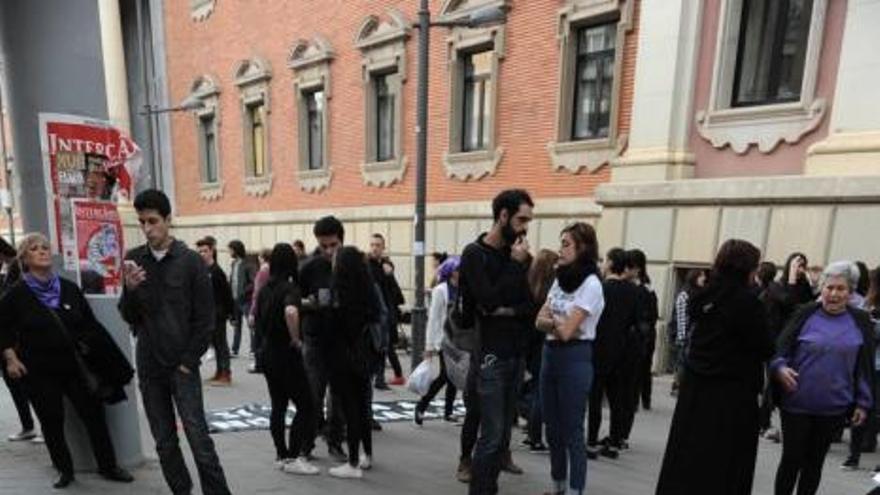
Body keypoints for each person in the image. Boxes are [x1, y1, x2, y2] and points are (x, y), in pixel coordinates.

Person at [119, 189, 231, 495]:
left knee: (198, 438)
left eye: (153, 220)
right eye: (142, 222)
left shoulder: (191, 262)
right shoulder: (133, 260)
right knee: (164, 442)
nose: (147, 228)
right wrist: (129, 290)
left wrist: (187, 362)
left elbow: (206, 320)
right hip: (149, 364)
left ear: (168, 220)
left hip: (181, 365)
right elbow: (128, 316)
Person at [1, 233, 134, 489]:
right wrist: (11, 359)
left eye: (45, 248)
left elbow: (90, 325)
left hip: (76, 367)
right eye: (35, 249)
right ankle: (65, 470)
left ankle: (108, 466)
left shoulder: (69, 288)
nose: (42, 252)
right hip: (38, 370)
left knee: (94, 416)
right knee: (51, 421)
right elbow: (2, 328)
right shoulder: (15, 295)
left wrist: (103, 358)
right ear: (25, 259)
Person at [656, 239, 774, 495]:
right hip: (732, 398)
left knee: (686, 457)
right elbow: (765, 346)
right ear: (747, 268)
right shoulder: (747, 303)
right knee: (724, 466)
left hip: (696, 391)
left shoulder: (702, 295)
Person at [772, 261, 874, 494]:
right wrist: (779, 367)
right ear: (822, 288)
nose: (834, 294)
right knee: (791, 461)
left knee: (814, 464)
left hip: (834, 407)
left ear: (850, 292)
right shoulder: (805, 313)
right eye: (829, 288)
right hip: (796, 403)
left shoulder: (860, 321)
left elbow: (864, 365)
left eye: (841, 289)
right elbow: (779, 350)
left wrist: (863, 402)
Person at [461, 189, 534, 495]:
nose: (525, 227)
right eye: (521, 219)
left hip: (515, 355)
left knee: (503, 434)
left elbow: (528, 307)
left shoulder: (516, 256)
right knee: (490, 435)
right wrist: (514, 269)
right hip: (489, 356)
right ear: (503, 216)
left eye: (528, 220)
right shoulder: (475, 254)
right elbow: (487, 303)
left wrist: (505, 309)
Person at [535, 223, 604, 495]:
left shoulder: (592, 284)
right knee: (551, 428)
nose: (560, 249)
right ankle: (558, 486)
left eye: (566, 244)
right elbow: (538, 321)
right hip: (550, 355)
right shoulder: (559, 278)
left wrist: (552, 322)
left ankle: (576, 490)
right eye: (560, 242)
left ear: (582, 248)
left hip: (576, 356)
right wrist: (553, 323)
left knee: (572, 430)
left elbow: (566, 331)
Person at [254, 243, 320, 475]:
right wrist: (295, 338)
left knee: (278, 406)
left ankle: (281, 455)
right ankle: (293, 457)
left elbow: (255, 319)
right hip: (286, 354)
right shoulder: (290, 288)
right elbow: (290, 312)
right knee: (306, 406)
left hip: (268, 353)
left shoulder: (264, 289)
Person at [327, 246, 383, 479]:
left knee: (350, 408)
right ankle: (367, 455)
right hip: (365, 357)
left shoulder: (341, 292)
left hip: (345, 357)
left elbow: (336, 328)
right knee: (363, 406)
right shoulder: (368, 288)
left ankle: (352, 463)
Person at [299, 216, 347, 462]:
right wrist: (310, 303)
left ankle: (335, 442)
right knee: (313, 394)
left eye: (333, 245)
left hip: (341, 340)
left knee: (338, 397)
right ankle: (305, 445)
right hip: (315, 339)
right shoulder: (309, 267)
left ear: (342, 240)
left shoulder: (351, 265)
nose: (328, 251)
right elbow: (293, 301)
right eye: (323, 246)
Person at [588, 248, 639, 460]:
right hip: (622, 350)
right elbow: (635, 322)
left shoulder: (602, 288)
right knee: (617, 397)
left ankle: (591, 439)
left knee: (595, 397)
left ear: (610, 263)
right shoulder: (634, 290)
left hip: (599, 348)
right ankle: (615, 440)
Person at [0, 237, 39, 443]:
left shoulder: (16, 273)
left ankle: (33, 425)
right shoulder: (8, 275)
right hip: (6, 340)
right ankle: (28, 426)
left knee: (22, 381)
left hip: (15, 340)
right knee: (15, 383)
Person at [415, 256, 462, 425]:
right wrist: (429, 346)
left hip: (459, 339)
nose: (461, 273)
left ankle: (448, 412)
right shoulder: (441, 290)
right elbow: (434, 319)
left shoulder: (463, 288)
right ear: (451, 272)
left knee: (454, 377)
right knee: (445, 376)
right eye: (458, 270)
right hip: (444, 339)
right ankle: (422, 405)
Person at [523, 249, 559, 451]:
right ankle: (535, 435)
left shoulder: (527, 287)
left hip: (526, 344)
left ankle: (530, 431)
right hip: (543, 344)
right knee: (539, 391)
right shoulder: (550, 291)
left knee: (531, 387)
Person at [846, 266, 880, 468]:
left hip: (871, 363)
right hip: (868, 363)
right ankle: (854, 455)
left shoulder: (866, 306)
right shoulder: (866, 305)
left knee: (867, 408)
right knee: (864, 407)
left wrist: (871, 325)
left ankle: (854, 455)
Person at [367, 233, 406, 388]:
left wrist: (389, 272)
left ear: (383, 247)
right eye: (372, 245)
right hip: (373, 313)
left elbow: (392, 290)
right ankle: (374, 377)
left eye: (378, 245)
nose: (374, 248)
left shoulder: (386, 266)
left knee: (384, 345)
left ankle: (380, 378)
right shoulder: (366, 265)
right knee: (375, 346)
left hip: (386, 312)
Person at [196, 238, 235, 386]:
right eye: (199, 251)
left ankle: (226, 373)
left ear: (212, 251)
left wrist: (231, 314)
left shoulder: (217, 272)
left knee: (220, 344)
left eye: (205, 251)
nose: (202, 254)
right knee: (215, 344)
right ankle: (219, 372)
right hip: (207, 314)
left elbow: (227, 294)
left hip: (218, 314)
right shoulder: (203, 270)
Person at [669, 268, 707, 396]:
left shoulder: (701, 294)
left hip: (696, 335)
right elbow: (680, 318)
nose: (704, 279)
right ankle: (677, 386)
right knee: (681, 362)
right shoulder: (684, 295)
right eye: (701, 276)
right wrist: (681, 337)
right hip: (685, 335)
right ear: (694, 277)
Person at [228, 239, 256, 359]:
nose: (229, 252)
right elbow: (232, 281)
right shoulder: (234, 263)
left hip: (245, 300)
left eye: (230, 249)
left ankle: (253, 350)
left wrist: (243, 292)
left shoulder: (248, 263)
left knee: (251, 326)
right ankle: (234, 350)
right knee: (236, 326)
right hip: (235, 299)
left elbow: (253, 282)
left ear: (236, 249)